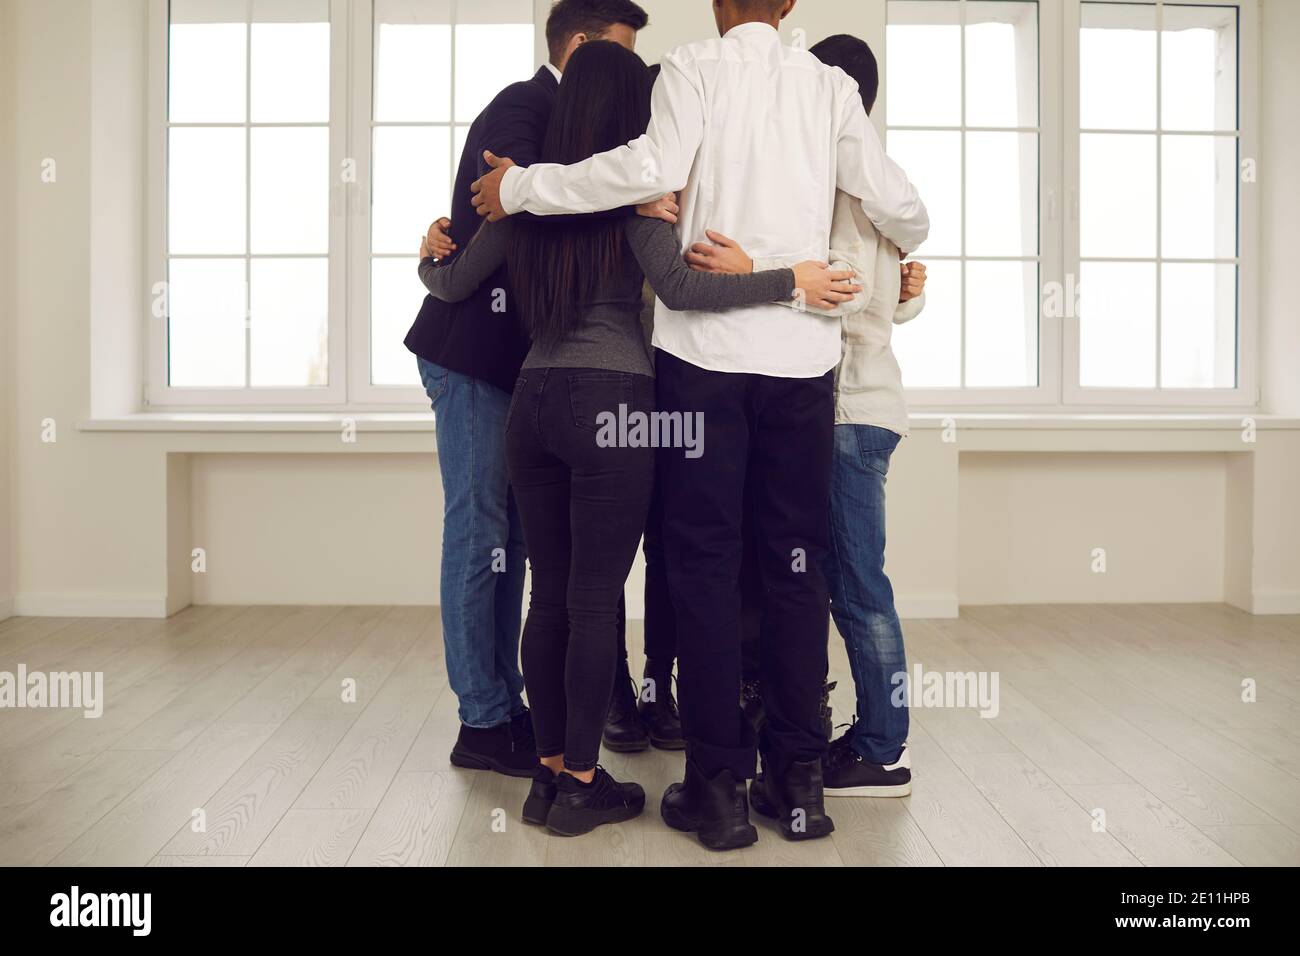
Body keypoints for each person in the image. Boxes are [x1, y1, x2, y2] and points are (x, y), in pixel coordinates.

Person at [470, 0, 928, 849]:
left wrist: (522, 186)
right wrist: (877, 256)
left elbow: (640, 170)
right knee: (797, 569)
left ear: (720, 4)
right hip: (802, 364)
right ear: (790, 5)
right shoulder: (830, 89)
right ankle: (797, 784)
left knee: (703, 566)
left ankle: (716, 789)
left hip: (703, 367)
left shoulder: (690, 70)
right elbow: (906, 210)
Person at [402, 0, 650, 779]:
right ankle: (483, 721)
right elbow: (499, 201)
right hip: (473, 351)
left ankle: (513, 706)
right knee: (482, 534)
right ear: (578, 49)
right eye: (619, 57)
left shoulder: (577, 126)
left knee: (516, 546)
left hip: (530, 370)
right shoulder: (527, 105)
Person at [687, 34, 927, 798]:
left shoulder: (846, 188)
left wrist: (751, 274)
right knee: (811, 576)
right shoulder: (877, 183)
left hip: (849, 406)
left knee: (855, 588)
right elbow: (888, 295)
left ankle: (883, 749)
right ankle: (806, 728)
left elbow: (844, 288)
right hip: (864, 399)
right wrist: (908, 290)